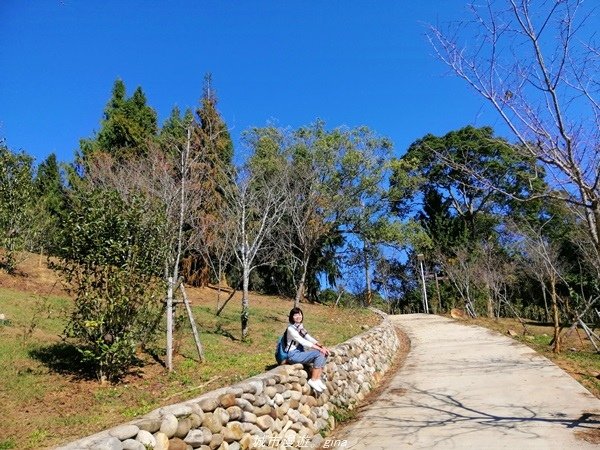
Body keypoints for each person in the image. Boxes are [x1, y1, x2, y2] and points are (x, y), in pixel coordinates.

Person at [285, 307, 330, 393]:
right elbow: (302, 341)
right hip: (292, 355)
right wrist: (318, 349)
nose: (298, 316)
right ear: (292, 317)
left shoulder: (300, 328)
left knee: (324, 353)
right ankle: (313, 380)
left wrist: (321, 346)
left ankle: (317, 379)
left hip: (299, 352)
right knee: (318, 353)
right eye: (295, 315)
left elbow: (308, 338)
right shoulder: (291, 329)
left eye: (300, 314)